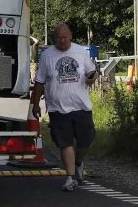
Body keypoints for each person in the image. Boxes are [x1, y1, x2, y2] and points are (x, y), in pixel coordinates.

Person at [31, 23, 97, 192]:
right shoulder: (47, 56)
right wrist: (36, 104)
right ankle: (70, 177)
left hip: (81, 106)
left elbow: (92, 71)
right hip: (58, 108)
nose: (62, 41)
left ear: (71, 36)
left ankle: (78, 163)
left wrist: (91, 78)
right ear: (55, 38)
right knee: (65, 143)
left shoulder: (80, 52)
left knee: (85, 141)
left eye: (65, 37)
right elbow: (39, 81)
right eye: (59, 38)